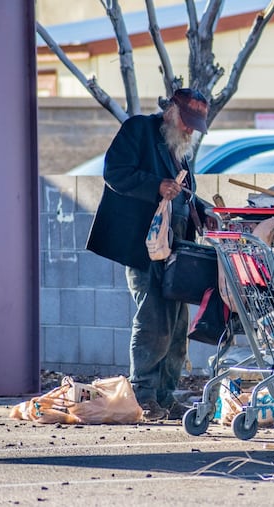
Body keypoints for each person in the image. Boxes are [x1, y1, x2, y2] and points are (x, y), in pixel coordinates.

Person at [86, 88, 210, 420]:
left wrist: (203, 209)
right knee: (154, 319)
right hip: (145, 244)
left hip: (176, 250)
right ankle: (143, 393)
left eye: (193, 126)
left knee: (177, 323)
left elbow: (184, 194)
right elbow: (114, 172)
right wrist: (155, 185)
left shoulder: (178, 150)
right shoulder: (139, 129)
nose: (189, 130)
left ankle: (166, 395)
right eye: (186, 122)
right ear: (170, 110)